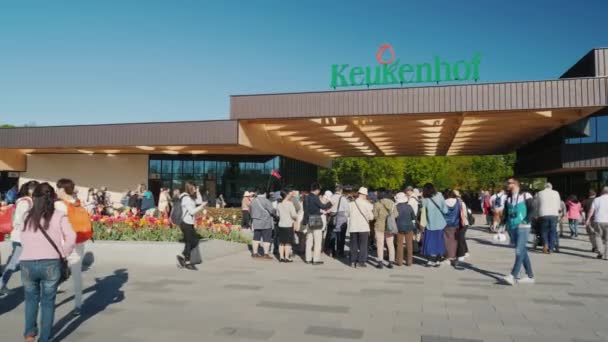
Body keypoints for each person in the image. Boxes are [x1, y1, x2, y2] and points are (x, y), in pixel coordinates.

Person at [20, 182, 76, 342]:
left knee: (31, 300)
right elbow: (71, 237)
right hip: (50, 262)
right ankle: (45, 338)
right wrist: (64, 253)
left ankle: (29, 335)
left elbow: (22, 237)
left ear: (34, 197)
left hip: (27, 262)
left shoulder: (27, 216)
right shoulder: (59, 215)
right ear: (52, 198)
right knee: (47, 302)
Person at [55, 178, 88, 316]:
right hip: (79, 242)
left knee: (53, 273)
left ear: (62, 189)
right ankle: (78, 305)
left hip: (62, 243)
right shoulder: (78, 204)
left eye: (57, 188)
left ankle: (45, 301)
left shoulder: (58, 205)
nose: (56, 190)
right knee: (76, 274)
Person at [0, 181, 38, 296]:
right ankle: (1, 284)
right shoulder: (25, 202)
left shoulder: (28, 201)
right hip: (21, 237)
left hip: (23, 237)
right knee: (14, 263)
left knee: (18, 262)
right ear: (31, 190)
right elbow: (18, 221)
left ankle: (2, 284)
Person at [502, 177, 535, 285]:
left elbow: (532, 209)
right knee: (522, 250)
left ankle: (513, 275)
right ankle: (530, 276)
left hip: (523, 227)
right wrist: (502, 225)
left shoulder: (526, 195)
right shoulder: (508, 198)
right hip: (512, 227)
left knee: (519, 251)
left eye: (509, 183)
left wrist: (525, 221)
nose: (507, 185)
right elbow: (506, 213)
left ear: (516, 184)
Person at [176, 181, 206, 270]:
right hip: (186, 222)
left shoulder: (188, 197)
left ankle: (183, 257)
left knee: (194, 241)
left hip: (188, 222)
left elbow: (199, 201)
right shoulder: (186, 198)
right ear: (189, 188)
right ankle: (187, 262)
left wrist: (198, 192)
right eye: (193, 188)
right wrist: (202, 207)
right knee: (190, 242)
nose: (194, 189)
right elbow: (192, 211)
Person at [303, 183, 332, 265]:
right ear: (317, 190)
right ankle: (316, 259)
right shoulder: (315, 198)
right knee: (318, 241)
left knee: (309, 240)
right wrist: (330, 203)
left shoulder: (306, 197)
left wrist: (305, 221)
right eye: (319, 190)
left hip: (308, 220)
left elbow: (305, 210)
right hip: (316, 219)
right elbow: (323, 207)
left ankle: (308, 258)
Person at [420, 183, 448, 267]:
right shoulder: (439, 196)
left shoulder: (424, 200)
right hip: (440, 224)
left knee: (428, 242)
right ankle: (438, 261)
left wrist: (422, 224)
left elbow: (423, 213)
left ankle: (429, 261)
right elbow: (445, 210)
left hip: (430, 224)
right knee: (439, 242)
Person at [348, 187, 374, 268]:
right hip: (363, 227)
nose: (366, 196)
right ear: (363, 195)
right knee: (363, 245)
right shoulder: (367, 204)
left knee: (353, 244)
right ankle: (361, 261)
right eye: (366, 195)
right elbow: (371, 217)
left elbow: (347, 214)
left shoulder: (351, 204)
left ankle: (353, 261)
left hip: (353, 226)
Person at [372, 191, 398, 269]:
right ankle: (391, 262)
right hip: (390, 226)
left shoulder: (377, 204)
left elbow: (375, 216)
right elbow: (396, 214)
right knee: (390, 244)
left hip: (379, 226)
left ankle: (380, 262)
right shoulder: (392, 203)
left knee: (380, 244)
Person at [250, 189, 276, 260]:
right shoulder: (267, 201)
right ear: (264, 193)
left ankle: (254, 253)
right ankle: (266, 254)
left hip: (256, 221)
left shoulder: (253, 201)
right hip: (266, 222)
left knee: (256, 237)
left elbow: (250, 211)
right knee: (266, 238)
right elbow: (272, 211)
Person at [537, 183, 561, 254]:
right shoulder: (556, 193)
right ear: (551, 187)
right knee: (553, 231)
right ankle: (551, 248)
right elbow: (559, 205)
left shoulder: (540, 193)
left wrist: (536, 214)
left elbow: (537, 204)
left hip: (543, 214)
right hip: (554, 214)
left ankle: (545, 245)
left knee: (544, 231)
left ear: (544, 187)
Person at [585, 186, 608, 260]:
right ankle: (606, 255)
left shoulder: (596, 199)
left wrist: (588, 219)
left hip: (598, 220)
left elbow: (591, 211)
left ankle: (600, 253)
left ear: (602, 192)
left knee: (598, 237)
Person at [395, 192, 416, 266]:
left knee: (399, 244)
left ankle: (399, 261)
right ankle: (409, 261)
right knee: (409, 244)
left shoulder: (396, 207)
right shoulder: (409, 206)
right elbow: (413, 217)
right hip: (409, 227)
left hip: (399, 227)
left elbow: (394, 217)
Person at [277, 190, 298, 262]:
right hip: (288, 225)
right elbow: (294, 215)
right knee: (288, 242)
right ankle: (287, 257)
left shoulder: (279, 204)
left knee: (281, 242)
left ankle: (281, 257)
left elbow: (278, 215)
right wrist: (296, 218)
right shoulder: (290, 204)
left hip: (281, 224)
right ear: (286, 195)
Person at [328, 185, 349, 258]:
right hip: (341, 218)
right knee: (341, 236)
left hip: (332, 218)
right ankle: (340, 252)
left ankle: (332, 252)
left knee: (332, 235)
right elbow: (347, 209)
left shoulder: (331, 197)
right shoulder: (343, 198)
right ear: (341, 190)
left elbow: (327, 207)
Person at [443, 190, 462, 265]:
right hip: (456, 223)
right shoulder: (458, 202)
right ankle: (453, 256)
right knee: (454, 240)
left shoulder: (444, 202)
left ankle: (448, 256)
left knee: (446, 240)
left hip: (446, 223)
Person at [454, 190, 471, 262]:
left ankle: (461, 255)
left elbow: (464, 214)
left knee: (460, 238)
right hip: (463, 223)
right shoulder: (460, 202)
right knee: (461, 237)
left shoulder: (460, 202)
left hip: (463, 223)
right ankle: (466, 251)